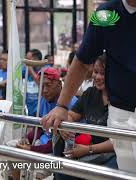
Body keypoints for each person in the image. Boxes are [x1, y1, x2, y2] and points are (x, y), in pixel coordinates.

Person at [42, 0, 136, 173]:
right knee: (128, 172)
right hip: (121, 114)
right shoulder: (106, 14)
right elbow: (83, 60)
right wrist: (62, 106)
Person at [53, 55, 117, 180]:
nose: (97, 77)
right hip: (87, 151)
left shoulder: (122, 100)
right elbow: (71, 115)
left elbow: (120, 142)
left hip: (114, 155)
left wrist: (89, 150)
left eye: (103, 74)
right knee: (64, 172)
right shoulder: (90, 94)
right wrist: (67, 126)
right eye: (96, 72)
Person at [22, 49, 42, 116]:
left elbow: (39, 82)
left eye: (28, 59)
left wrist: (30, 67)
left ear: (36, 60)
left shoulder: (44, 69)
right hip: (27, 104)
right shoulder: (25, 70)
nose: (26, 62)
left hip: (38, 105)